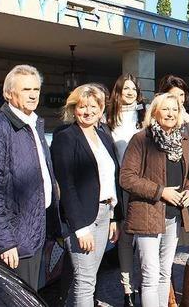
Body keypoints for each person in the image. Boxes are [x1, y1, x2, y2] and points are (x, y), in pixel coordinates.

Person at [0, 64, 59, 291]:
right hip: (15, 240)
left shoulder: (35, 124)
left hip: (36, 232)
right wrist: (5, 242)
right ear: (8, 93)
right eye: (26, 90)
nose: (33, 95)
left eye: (36, 89)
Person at [120, 93, 189, 307]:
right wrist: (161, 192)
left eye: (175, 109)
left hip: (173, 216)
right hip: (147, 216)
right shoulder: (142, 139)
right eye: (165, 109)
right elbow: (126, 178)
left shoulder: (183, 141)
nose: (170, 113)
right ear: (155, 112)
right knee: (151, 276)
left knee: (165, 272)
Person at [51, 84, 122, 306]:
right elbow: (67, 185)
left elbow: (112, 176)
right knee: (84, 281)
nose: (88, 111)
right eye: (82, 106)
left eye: (93, 106)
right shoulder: (66, 137)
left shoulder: (104, 135)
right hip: (82, 220)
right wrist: (80, 228)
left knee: (89, 278)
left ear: (101, 109)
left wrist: (113, 217)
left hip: (104, 213)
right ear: (74, 109)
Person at [157, 75, 189, 307]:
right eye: (172, 95)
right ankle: (171, 302)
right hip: (164, 201)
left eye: (180, 95)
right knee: (164, 257)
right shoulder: (154, 127)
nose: (178, 100)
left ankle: (186, 300)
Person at [107, 74, 145, 307]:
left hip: (144, 185)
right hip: (120, 186)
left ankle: (143, 285)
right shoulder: (107, 118)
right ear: (118, 92)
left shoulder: (146, 116)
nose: (130, 92)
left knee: (144, 241)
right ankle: (127, 291)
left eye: (133, 88)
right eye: (125, 89)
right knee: (125, 240)